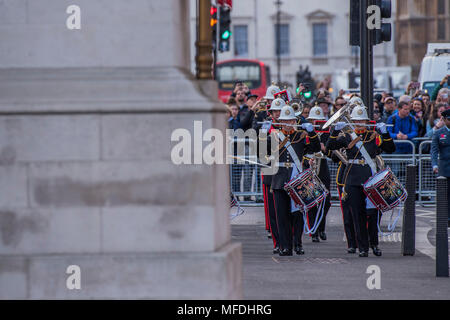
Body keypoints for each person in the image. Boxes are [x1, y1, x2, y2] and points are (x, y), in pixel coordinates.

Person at [327, 104, 396, 257]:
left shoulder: (374, 135)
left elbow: (390, 148)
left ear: (366, 121)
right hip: (352, 178)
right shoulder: (346, 136)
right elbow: (330, 146)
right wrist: (335, 130)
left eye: (362, 121)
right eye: (357, 121)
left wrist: (385, 133)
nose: (360, 124)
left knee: (373, 213)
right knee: (357, 214)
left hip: (370, 178)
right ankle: (363, 247)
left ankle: (374, 244)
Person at [268, 105, 321, 256]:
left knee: (297, 214)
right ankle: (285, 246)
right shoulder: (274, 135)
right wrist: (263, 133)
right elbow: (263, 152)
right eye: (284, 120)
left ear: (294, 120)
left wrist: (312, 132)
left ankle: (297, 243)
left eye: (290, 120)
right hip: (279, 178)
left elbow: (316, 148)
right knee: (282, 215)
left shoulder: (301, 136)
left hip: (296, 177)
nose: (288, 123)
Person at [256, 97, 284, 252]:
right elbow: (260, 152)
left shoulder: (292, 128)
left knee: (290, 212)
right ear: (271, 113)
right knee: (273, 213)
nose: (278, 114)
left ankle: (291, 242)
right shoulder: (267, 129)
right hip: (271, 173)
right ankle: (277, 243)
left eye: (280, 111)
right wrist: (262, 134)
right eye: (275, 111)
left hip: (287, 174)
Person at [302, 105, 331, 242]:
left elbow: (330, 148)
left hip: (323, 165)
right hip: (310, 164)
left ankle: (321, 228)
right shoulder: (305, 132)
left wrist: (326, 147)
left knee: (326, 200)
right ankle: (313, 230)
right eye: (314, 120)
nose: (316, 123)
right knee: (311, 199)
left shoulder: (326, 132)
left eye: (319, 121)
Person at [431, 109, 450, 225]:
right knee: (445, 195)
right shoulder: (438, 133)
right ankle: (446, 218)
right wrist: (434, 164)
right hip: (444, 168)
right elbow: (434, 151)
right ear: (444, 120)